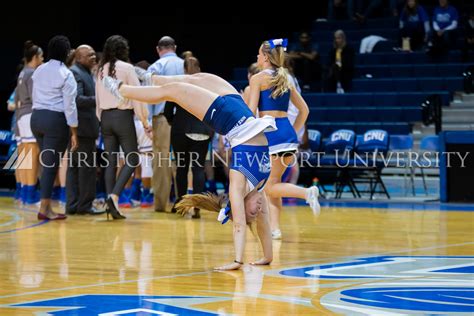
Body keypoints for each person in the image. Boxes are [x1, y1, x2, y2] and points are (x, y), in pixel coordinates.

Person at [101, 69, 319, 270]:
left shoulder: (239, 183)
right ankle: (152, 78)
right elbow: (262, 224)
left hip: (224, 116)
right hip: (239, 109)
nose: (259, 209)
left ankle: (121, 90)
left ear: (240, 207)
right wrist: (267, 257)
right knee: (197, 78)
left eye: (251, 211)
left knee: (173, 92)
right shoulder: (259, 188)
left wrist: (237, 261)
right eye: (257, 212)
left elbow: (240, 226)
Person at [248, 39, 319, 240]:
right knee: (274, 183)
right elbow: (304, 110)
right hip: (287, 135)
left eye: (259, 54)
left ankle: (307, 193)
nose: (257, 57)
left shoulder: (257, 79)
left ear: (265, 57)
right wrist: (293, 132)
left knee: (269, 187)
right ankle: (275, 229)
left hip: (270, 135)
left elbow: (252, 111)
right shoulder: (285, 77)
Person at [95, 35, 150, 220]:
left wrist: (101, 119)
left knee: (110, 163)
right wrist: (144, 121)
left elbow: (97, 99)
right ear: (123, 50)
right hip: (123, 116)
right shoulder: (127, 68)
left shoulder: (100, 70)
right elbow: (137, 95)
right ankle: (114, 196)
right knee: (132, 158)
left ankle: (113, 207)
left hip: (105, 117)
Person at [31, 35, 78, 220]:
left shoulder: (39, 70)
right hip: (54, 121)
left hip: (36, 119)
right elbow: (70, 106)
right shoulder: (66, 74)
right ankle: (44, 209)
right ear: (67, 53)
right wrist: (74, 130)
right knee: (50, 165)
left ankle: (46, 205)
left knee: (46, 164)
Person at [165, 57, 212, 217]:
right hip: (203, 130)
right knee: (198, 169)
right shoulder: (207, 84)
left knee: (182, 169)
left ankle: (180, 203)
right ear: (199, 67)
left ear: (184, 69)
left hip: (181, 130)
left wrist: (174, 122)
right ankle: (197, 206)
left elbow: (167, 110)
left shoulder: (179, 84)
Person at [147, 36, 184, 213]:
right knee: (184, 160)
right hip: (184, 118)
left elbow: (148, 96)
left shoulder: (155, 67)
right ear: (174, 47)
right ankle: (184, 202)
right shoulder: (186, 65)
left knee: (161, 161)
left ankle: (161, 205)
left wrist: (147, 122)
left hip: (162, 118)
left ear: (158, 49)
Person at [67, 45, 104, 215]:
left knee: (75, 168)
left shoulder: (84, 72)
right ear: (79, 57)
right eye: (89, 55)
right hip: (82, 129)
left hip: (81, 128)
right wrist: (99, 99)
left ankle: (73, 205)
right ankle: (84, 206)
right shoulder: (76, 72)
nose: (94, 57)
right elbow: (77, 99)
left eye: (93, 54)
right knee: (86, 169)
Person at [15, 40, 43, 205]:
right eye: (41, 56)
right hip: (30, 114)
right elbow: (36, 98)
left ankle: (25, 193)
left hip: (21, 117)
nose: (43, 59)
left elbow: (17, 101)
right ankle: (31, 196)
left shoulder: (22, 73)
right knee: (32, 155)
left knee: (25, 156)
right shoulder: (32, 73)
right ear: (35, 57)